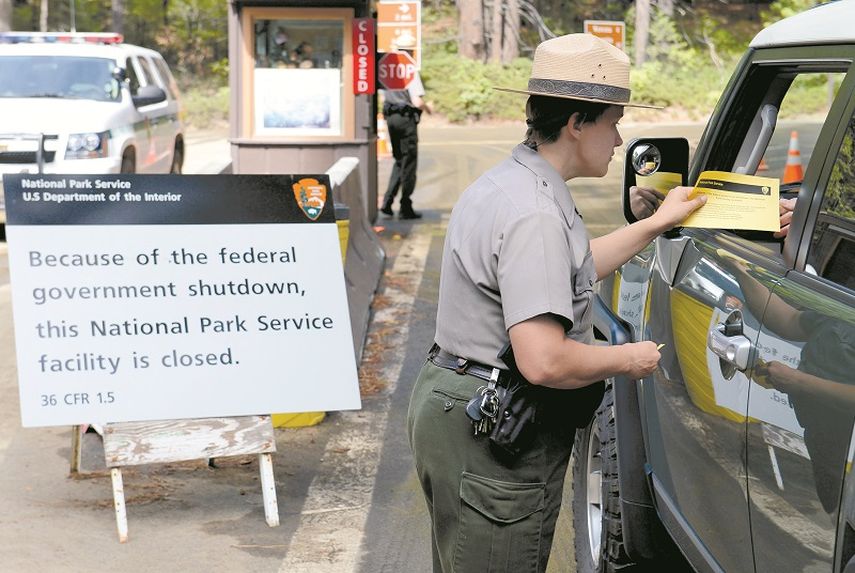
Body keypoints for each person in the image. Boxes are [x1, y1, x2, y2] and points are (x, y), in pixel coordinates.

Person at [406, 34, 707, 573]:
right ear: (576, 123)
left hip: (455, 400)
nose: (619, 140)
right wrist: (628, 359)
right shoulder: (537, 214)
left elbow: (563, 270)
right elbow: (543, 360)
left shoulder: (513, 182)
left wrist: (657, 223)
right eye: (613, 121)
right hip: (495, 426)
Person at [379, 41, 432, 219]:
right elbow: (417, 102)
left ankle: (387, 202)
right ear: (410, 50)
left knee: (399, 160)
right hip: (406, 120)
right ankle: (405, 206)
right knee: (409, 163)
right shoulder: (409, 69)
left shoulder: (386, 68)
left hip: (391, 118)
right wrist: (429, 108)